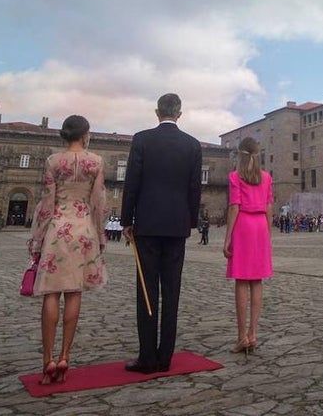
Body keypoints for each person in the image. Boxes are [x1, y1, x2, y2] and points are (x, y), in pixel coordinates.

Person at [122, 93, 203, 374]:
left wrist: (126, 219)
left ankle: (147, 357)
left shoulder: (142, 139)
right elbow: (195, 187)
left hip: (146, 223)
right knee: (172, 291)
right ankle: (165, 355)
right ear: (179, 113)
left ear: (157, 112)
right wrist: (190, 220)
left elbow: (132, 181)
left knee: (146, 290)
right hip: (177, 225)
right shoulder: (192, 145)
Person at [28, 115, 107, 385]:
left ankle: (47, 359)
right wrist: (101, 234)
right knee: (74, 292)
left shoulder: (53, 162)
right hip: (83, 228)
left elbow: (46, 202)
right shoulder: (96, 162)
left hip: (57, 229)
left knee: (51, 293)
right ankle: (65, 356)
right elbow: (98, 202)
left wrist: (37, 237)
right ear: (86, 135)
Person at [223, 137, 274, 353]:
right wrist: (268, 234)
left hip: (243, 225)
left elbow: (234, 207)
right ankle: (253, 334)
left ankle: (241, 336)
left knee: (242, 281)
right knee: (257, 281)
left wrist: (227, 238)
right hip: (261, 225)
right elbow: (270, 207)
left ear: (240, 156)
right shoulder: (266, 177)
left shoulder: (235, 177)